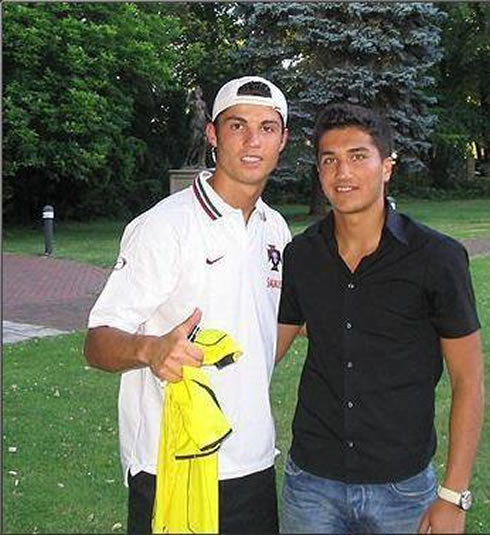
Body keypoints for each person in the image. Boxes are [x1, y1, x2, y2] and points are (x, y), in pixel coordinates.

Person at [84, 75, 290, 534]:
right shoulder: (164, 227)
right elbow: (97, 343)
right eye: (237, 126)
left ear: (283, 140)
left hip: (252, 462)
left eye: (267, 127)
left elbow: (266, 330)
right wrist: (150, 350)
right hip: (171, 463)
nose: (253, 140)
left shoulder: (275, 229)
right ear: (213, 134)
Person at [276, 103, 484, 534]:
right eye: (329, 160)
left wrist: (453, 495)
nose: (342, 172)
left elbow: (468, 380)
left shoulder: (437, 259)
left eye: (358, 156)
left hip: (403, 491)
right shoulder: (301, 256)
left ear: (387, 166)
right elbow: (263, 353)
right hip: (311, 485)